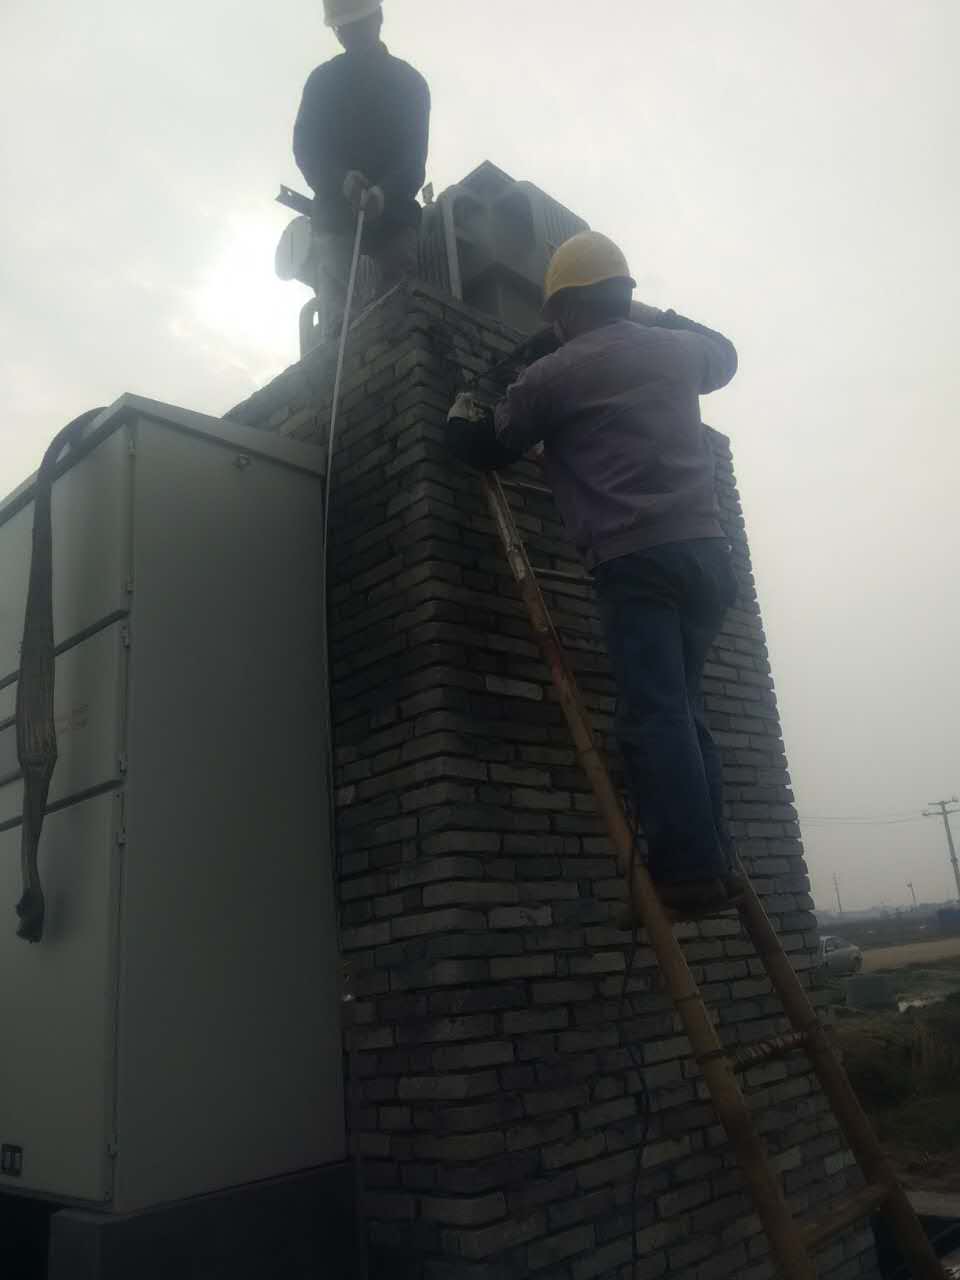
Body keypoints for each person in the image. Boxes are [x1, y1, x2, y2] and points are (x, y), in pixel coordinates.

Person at [447, 232, 740, 914]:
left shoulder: (556, 374)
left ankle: (689, 873)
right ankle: (715, 862)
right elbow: (724, 354)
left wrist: (465, 404)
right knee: (685, 710)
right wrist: (651, 316)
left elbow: (484, 445)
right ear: (624, 296)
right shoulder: (674, 350)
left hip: (638, 563)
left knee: (655, 715)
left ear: (566, 309)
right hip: (707, 560)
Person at [292, 0, 430, 305]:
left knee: (397, 315)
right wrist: (341, 181)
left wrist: (384, 192)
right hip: (336, 225)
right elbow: (306, 149)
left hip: (394, 224)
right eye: (345, 29)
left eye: (356, 26)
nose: (350, 35)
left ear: (377, 18)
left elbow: (413, 161)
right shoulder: (322, 83)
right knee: (340, 321)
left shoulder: (409, 84)